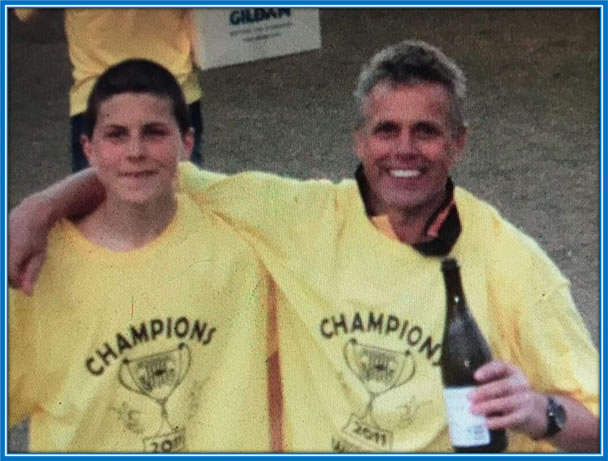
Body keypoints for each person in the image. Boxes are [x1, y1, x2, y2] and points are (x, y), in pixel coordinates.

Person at [9, 41, 599, 452]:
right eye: (386, 130)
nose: (404, 150)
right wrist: (41, 207)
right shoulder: (301, 218)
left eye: (426, 130)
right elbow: (156, 165)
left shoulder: (511, 262)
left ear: (459, 144)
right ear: (360, 140)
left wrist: (541, 413)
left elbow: (594, 428)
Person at [8, 59, 274, 452]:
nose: (135, 151)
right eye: (116, 135)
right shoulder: (37, 267)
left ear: (187, 143)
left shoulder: (239, 249)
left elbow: (275, 372)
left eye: (153, 133)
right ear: (89, 149)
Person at [13, 8, 204, 171]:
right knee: (182, 206)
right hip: (174, 91)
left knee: (96, 208)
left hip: (95, 98)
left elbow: (25, 12)